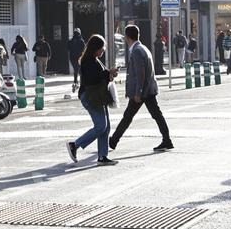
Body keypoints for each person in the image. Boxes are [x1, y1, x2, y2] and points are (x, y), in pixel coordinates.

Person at [108, 25, 174, 153]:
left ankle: (113, 141)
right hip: (148, 89)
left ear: (127, 37)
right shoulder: (143, 48)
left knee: (128, 116)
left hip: (143, 91)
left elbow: (140, 73)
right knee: (155, 115)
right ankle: (167, 140)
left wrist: (138, 92)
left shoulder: (137, 50)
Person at [66, 34, 117, 165]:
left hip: (98, 95)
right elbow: (91, 79)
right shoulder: (88, 61)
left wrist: (109, 74)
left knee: (106, 127)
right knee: (101, 126)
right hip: (90, 96)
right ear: (95, 48)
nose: (103, 51)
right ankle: (75, 145)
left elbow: (99, 77)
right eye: (102, 49)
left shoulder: (94, 59)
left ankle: (102, 156)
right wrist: (108, 73)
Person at [67, 28, 85, 93]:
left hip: (73, 57)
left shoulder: (71, 41)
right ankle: (77, 82)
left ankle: (76, 82)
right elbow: (84, 49)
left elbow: (68, 48)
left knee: (76, 69)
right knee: (78, 70)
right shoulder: (81, 41)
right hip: (79, 57)